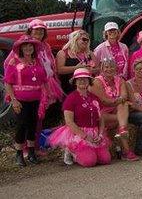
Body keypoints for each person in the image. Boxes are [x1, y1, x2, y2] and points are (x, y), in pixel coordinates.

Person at [47, 69, 112, 167]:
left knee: (105, 159)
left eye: (85, 79)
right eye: (79, 79)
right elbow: (69, 122)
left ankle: (92, 151)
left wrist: (101, 134)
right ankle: (71, 151)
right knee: (89, 162)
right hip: (79, 133)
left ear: (89, 81)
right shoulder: (71, 98)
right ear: (75, 82)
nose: (82, 81)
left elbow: (101, 118)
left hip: (95, 132)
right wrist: (85, 136)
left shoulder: (94, 97)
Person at [4, 37, 47, 166]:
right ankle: (19, 154)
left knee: (32, 125)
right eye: (25, 46)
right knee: (21, 126)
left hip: (36, 99)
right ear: (21, 48)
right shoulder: (14, 61)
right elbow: (8, 82)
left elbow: (43, 80)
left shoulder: (37, 61)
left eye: (30, 46)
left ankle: (32, 152)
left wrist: (45, 97)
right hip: (20, 99)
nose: (28, 48)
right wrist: (14, 100)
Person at [90, 58, 137, 160]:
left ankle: (123, 130)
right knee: (122, 116)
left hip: (117, 110)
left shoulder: (120, 80)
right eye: (106, 67)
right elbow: (104, 101)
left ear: (116, 68)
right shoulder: (96, 82)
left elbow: (124, 95)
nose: (109, 69)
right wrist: (118, 100)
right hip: (102, 115)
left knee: (123, 105)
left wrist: (118, 100)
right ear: (102, 68)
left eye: (112, 66)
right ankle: (126, 151)